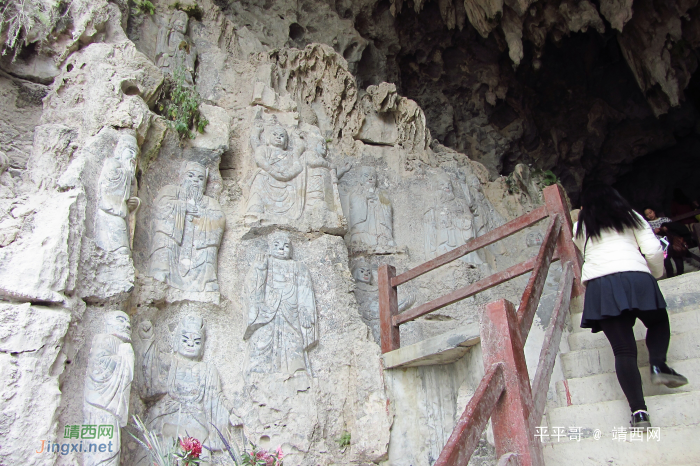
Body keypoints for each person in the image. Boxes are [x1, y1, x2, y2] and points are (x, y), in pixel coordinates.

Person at [574, 184, 687, 429]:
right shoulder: (632, 216)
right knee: (658, 321)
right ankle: (658, 364)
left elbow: (585, 252)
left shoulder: (581, 225)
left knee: (623, 351)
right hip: (636, 275)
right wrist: (654, 275)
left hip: (601, 284)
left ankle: (639, 413)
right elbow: (653, 249)